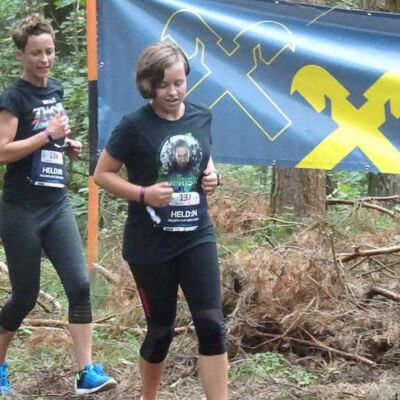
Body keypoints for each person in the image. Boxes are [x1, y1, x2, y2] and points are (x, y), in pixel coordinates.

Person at [94, 41, 229, 400]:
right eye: (164, 85)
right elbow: (102, 175)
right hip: (150, 243)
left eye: (179, 82)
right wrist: (144, 194)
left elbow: (203, 156)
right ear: (149, 85)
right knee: (161, 331)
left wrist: (212, 176)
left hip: (196, 234)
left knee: (212, 326)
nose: (173, 91)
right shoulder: (134, 126)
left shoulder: (201, 116)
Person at [0, 14, 117, 395]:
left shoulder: (57, 91)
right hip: (20, 209)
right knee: (25, 297)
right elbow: (3, 151)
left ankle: (86, 373)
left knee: (80, 285)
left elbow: (46, 140)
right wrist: (47, 135)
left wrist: (64, 146)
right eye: (36, 53)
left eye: (49, 51)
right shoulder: (13, 98)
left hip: (56, 204)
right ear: (21, 55)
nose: (45, 59)